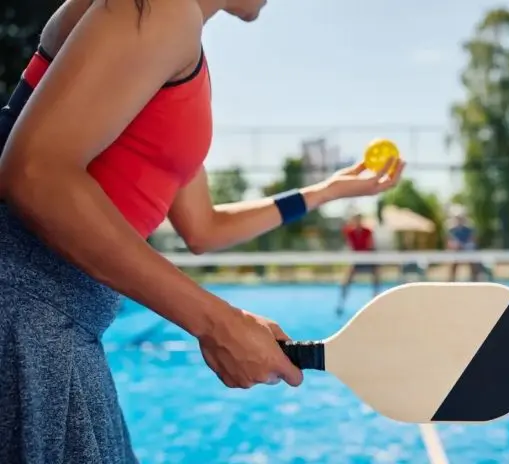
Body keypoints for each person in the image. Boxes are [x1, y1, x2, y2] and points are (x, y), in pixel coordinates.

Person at [0, 1, 405, 462]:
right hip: (27, 310)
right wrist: (217, 323)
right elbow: (35, 174)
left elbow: (203, 228)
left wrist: (326, 192)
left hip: (62, 317)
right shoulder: (163, 10)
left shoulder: (177, 41)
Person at [337, 213, 379, 315]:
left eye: (359, 220)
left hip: (367, 259)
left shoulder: (368, 231)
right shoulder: (350, 232)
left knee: (376, 278)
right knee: (346, 281)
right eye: (356, 220)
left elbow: (371, 245)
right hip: (356, 260)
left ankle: (376, 302)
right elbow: (350, 245)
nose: (358, 222)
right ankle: (341, 304)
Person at [447, 212, 489, 282]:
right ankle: (451, 282)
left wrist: (465, 246)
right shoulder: (452, 230)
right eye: (458, 218)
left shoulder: (469, 230)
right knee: (453, 265)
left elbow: (473, 240)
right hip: (456, 252)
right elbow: (449, 242)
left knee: (474, 264)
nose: (460, 220)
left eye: (461, 218)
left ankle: (475, 281)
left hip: (468, 251)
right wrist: (455, 245)